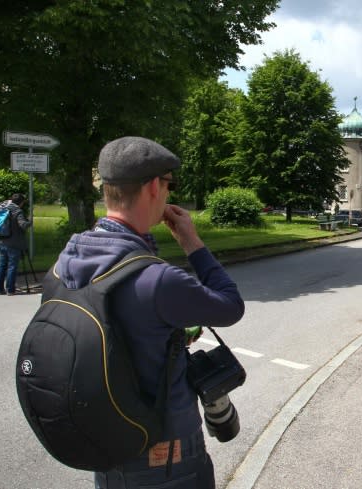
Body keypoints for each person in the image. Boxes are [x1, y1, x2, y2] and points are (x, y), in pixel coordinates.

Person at [52, 136, 244, 488]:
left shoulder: (68, 260)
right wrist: (192, 242)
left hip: (108, 444)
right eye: (170, 185)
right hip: (166, 458)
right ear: (155, 186)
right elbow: (231, 306)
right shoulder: (156, 279)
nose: (170, 194)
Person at [0, 193, 32, 295]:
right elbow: (23, 225)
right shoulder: (18, 211)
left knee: (2, 265)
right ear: (21, 203)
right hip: (14, 243)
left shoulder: (3, 208)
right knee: (12, 266)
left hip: (1, 241)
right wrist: (30, 221)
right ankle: (10, 290)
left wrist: (6, 202)